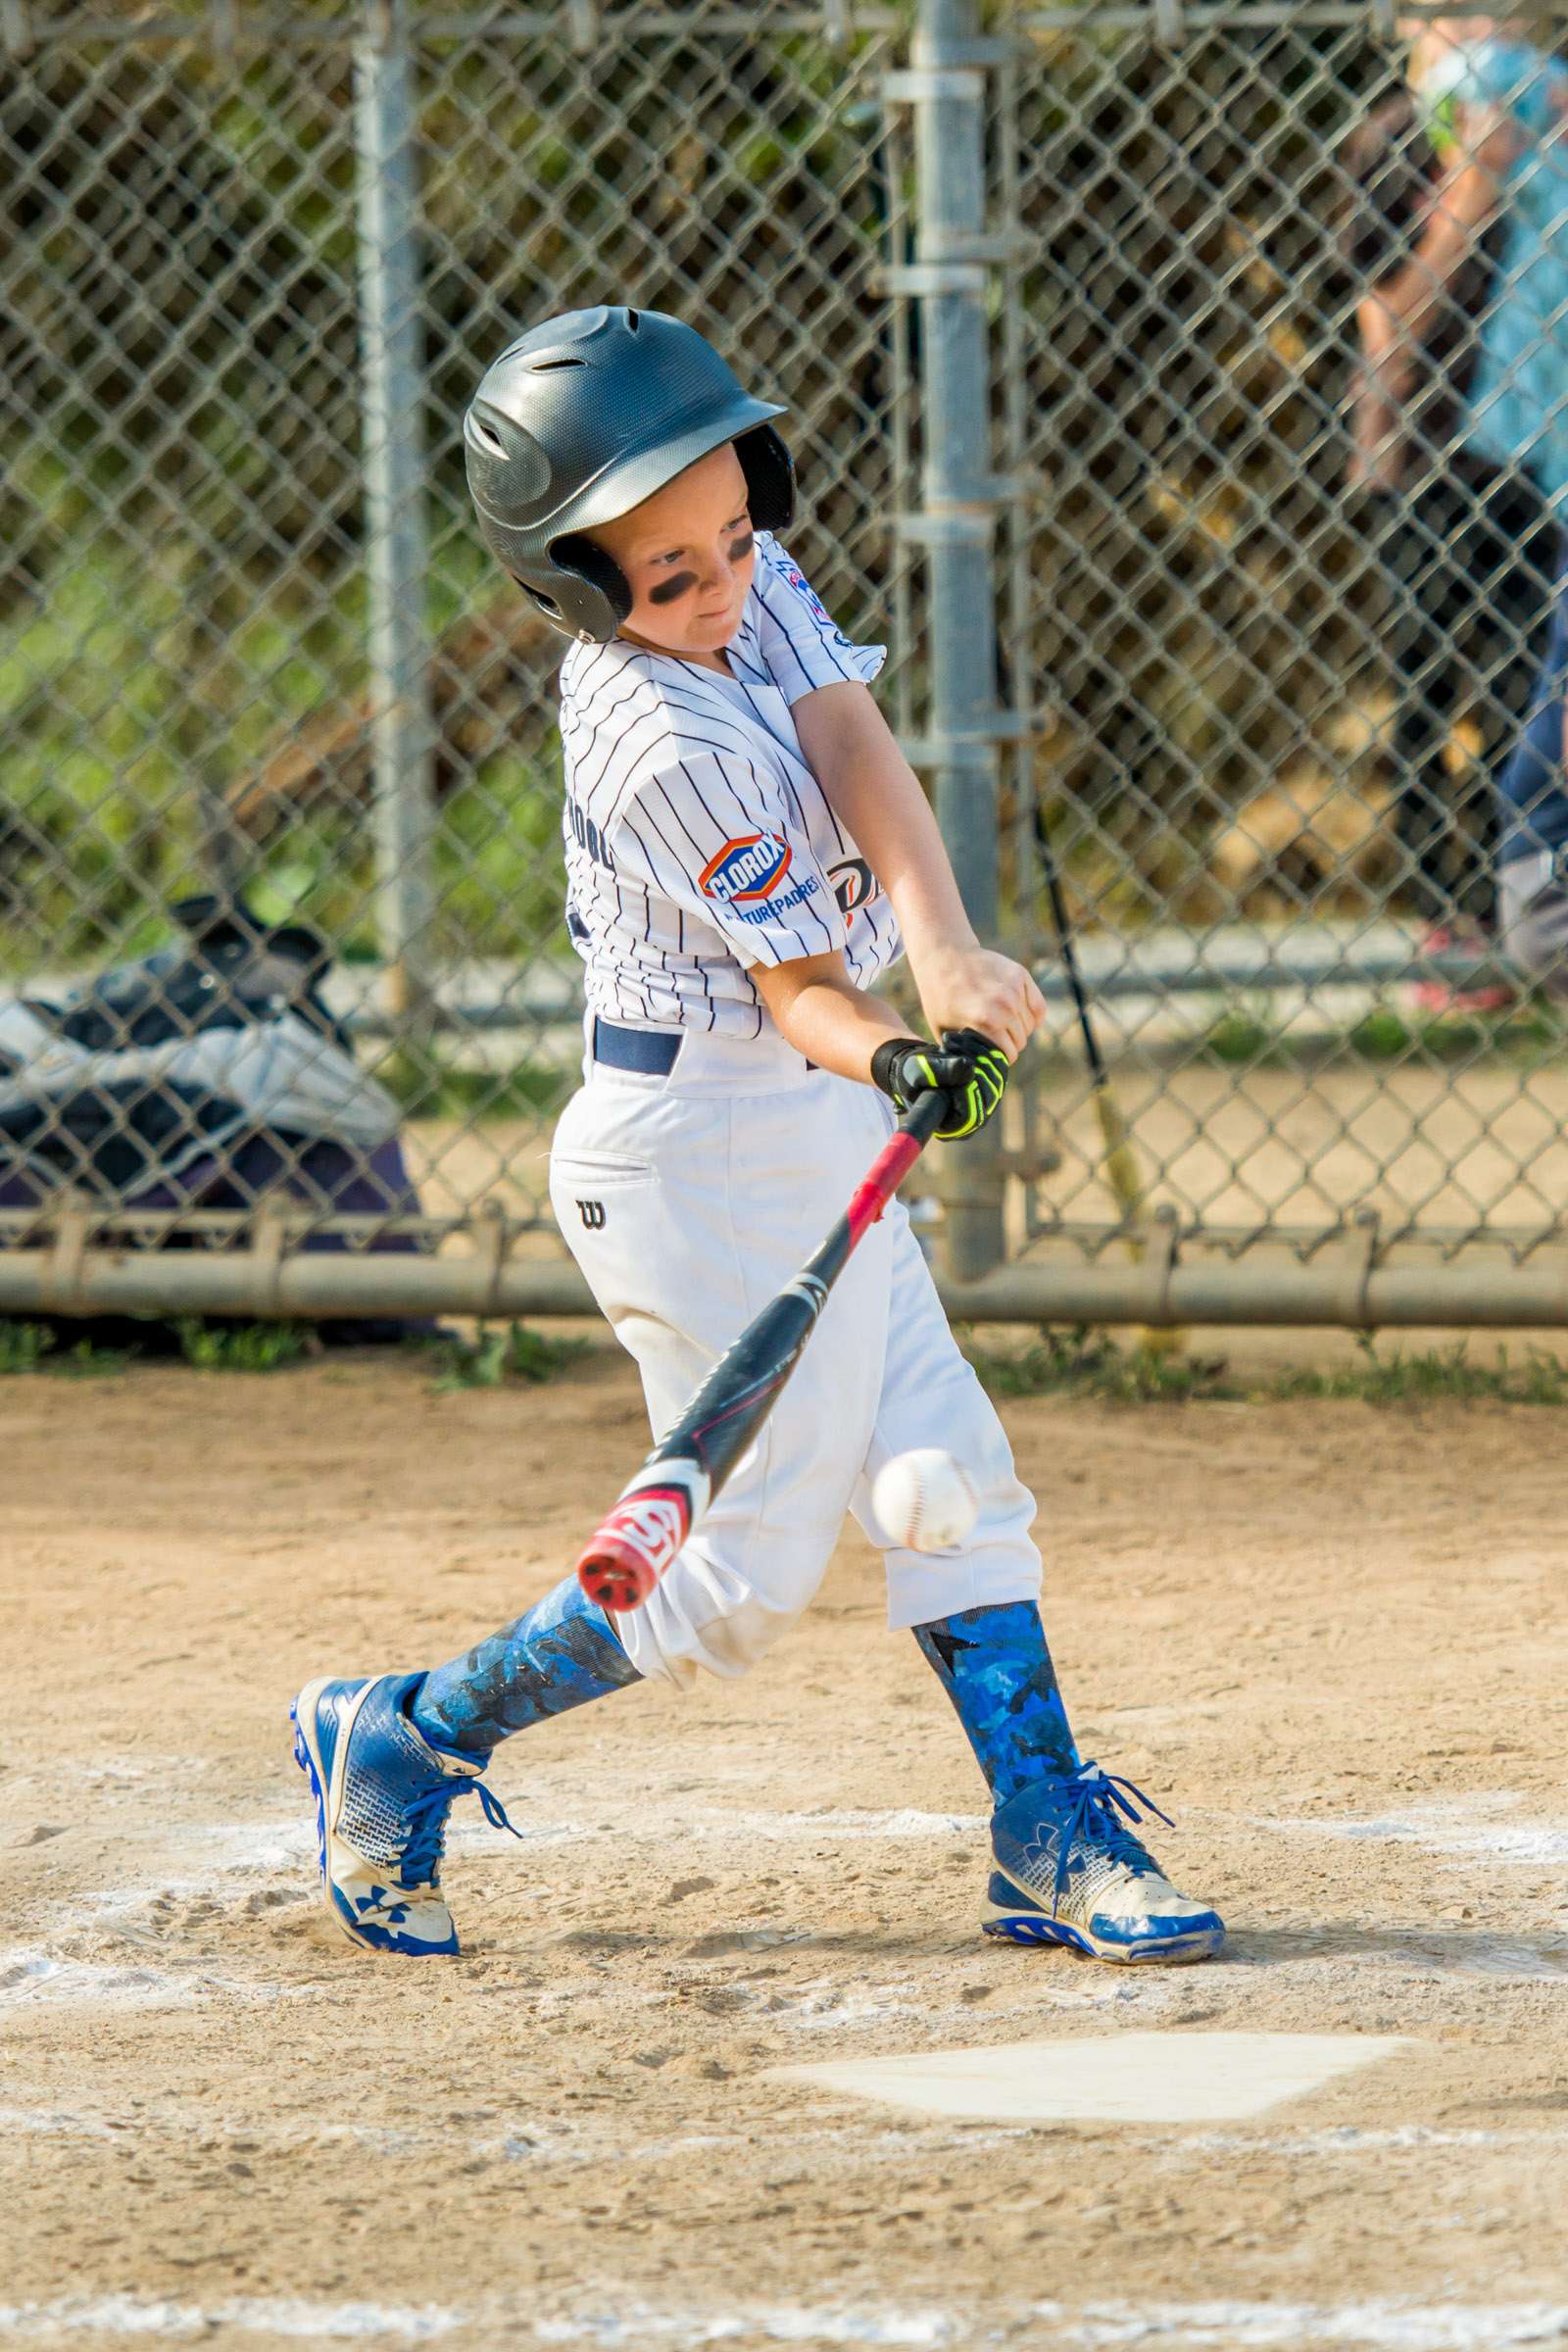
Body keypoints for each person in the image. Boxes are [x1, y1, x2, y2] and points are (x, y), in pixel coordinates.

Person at [288, 307, 1224, 1967]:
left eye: (733, 533)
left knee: (951, 1485)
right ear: (579, 582)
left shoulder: (739, 577)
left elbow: (851, 736)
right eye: (670, 573)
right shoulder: (657, 738)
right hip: (694, 1154)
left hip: (797, 1111)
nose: (722, 584)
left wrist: (941, 955)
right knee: (735, 1583)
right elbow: (797, 987)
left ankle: (1042, 1828)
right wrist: (892, 1051)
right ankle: (408, 1728)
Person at [1349, 17, 1568, 1006]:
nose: (1481, 33)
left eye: (1496, 16)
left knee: (1522, 687)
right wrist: (1468, 195)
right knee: (1427, 688)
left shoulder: (1547, 124)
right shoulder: (1393, 138)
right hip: (1421, 459)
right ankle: (1443, 916)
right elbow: (1386, 325)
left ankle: (1512, 905)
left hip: (1527, 461)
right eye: (1455, 15)